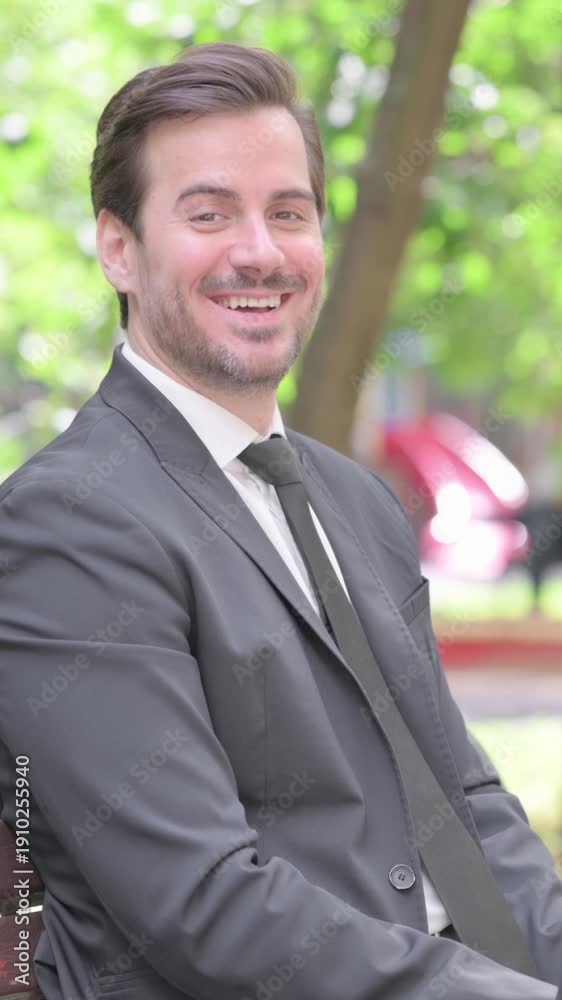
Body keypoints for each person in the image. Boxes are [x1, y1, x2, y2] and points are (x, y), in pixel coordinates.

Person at [0, 41, 560, 1000]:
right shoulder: (67, 524)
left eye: (289, 213)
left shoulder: (357, 503)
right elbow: (204, 908)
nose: (259, 251)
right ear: (119, 248)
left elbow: (468, 804)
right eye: (209, 214)